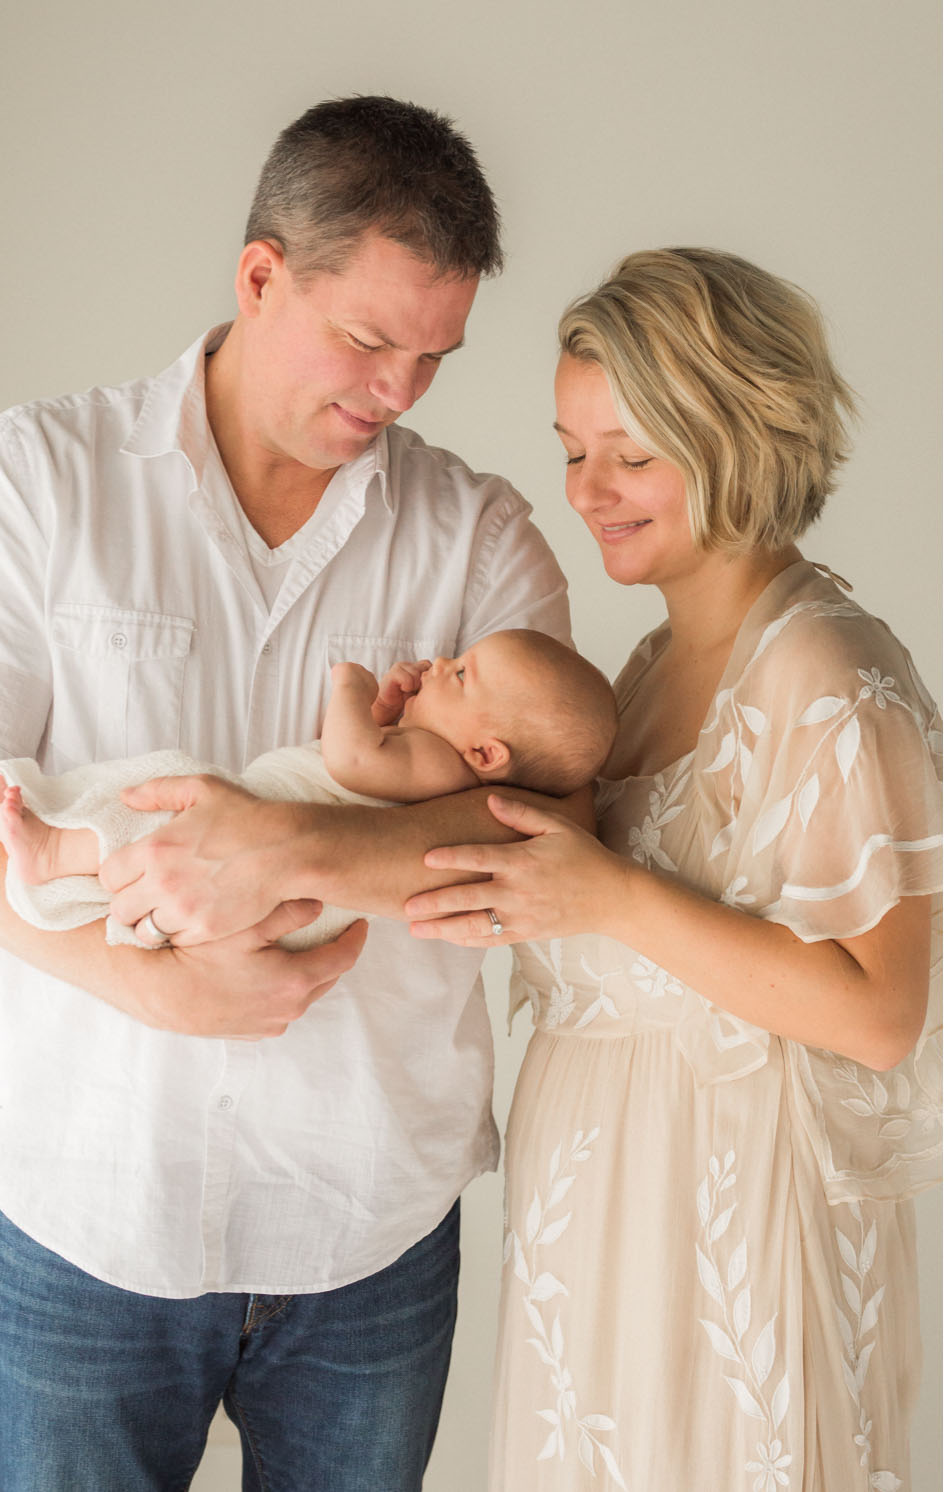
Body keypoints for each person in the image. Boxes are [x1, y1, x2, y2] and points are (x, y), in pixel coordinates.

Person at [0, 95, 585, 1489]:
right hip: (88, 1208)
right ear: (259, 276)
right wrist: (151, 988)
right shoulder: (34, 480)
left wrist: (291, 846)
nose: (401, 390)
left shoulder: (480, 541)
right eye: (367, 341)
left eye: (433, 357)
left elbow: (544, 839)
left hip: (367, 1227)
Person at [397, 249, 939, 1489]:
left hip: (728, 1229)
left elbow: (881, 1014)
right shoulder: (638, 676)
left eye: (629, 456)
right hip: (598, 1233)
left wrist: (613, 895)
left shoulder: (826, 673)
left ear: (733, 436)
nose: (587, 492)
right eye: (570, 451)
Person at [0, 630, 618, 949]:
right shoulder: (432, 756)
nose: (440, 663)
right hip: (271, 857)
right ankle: (69, 863)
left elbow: (349, 759)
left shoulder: (438, 763)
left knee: (161, 809)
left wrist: (351, 687)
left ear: (485, 753)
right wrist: (388, 709)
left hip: (269, 845)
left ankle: (55, 853)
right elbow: (368, 756)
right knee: (164, 829)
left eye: (460, 675)